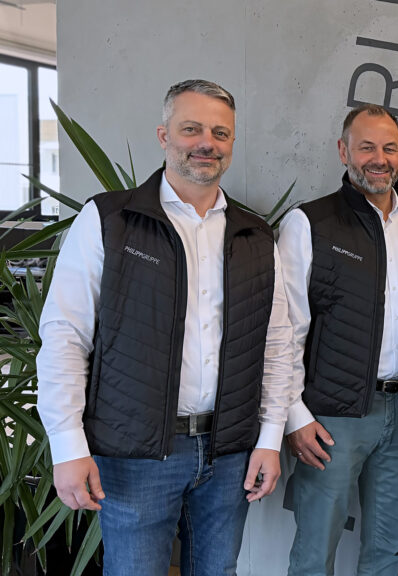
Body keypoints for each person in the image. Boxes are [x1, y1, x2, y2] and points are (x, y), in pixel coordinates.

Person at [37, 79, 294, 575]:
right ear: (163, 135)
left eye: (220, 133)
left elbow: (276, 343)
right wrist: (67, 445)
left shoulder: (255, 235)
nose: (207, 143)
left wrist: (269, 438)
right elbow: (66, 335)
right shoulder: (111, 220)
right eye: (191, 129)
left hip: (229, 453)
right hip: (136, 458)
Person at [278, 104, 398, 575]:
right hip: (333, 417)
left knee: (388, 548)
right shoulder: (310, 223)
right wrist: (295, 416)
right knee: (315, 551)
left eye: (389, 148)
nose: (379, 159)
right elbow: (284, 331)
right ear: (343, 151)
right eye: (366, 147)